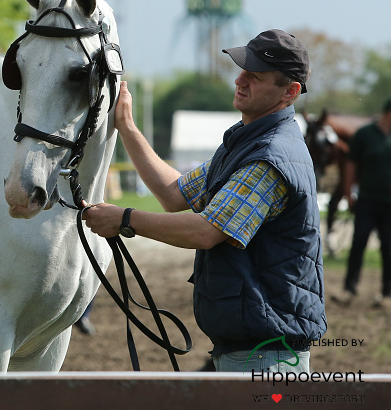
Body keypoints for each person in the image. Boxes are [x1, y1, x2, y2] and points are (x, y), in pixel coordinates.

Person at [82, 29, 326, 373]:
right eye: (241, 70)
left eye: (254, 76)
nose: (239, 80)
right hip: (247, 350)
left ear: (290, 92)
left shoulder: (269, 157)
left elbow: (207, 232)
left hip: (265, 357)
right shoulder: (246, 144)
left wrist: (124, 218)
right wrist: (127, 127)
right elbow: (173, 194)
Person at [334, 98, 391, 308]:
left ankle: (387, 293)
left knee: (388, 247)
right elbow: (350, 165)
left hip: (389, 204)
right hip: (367, 200)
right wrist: (349, 194)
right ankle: (348, 290)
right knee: (358, 243)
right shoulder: (365, 134)